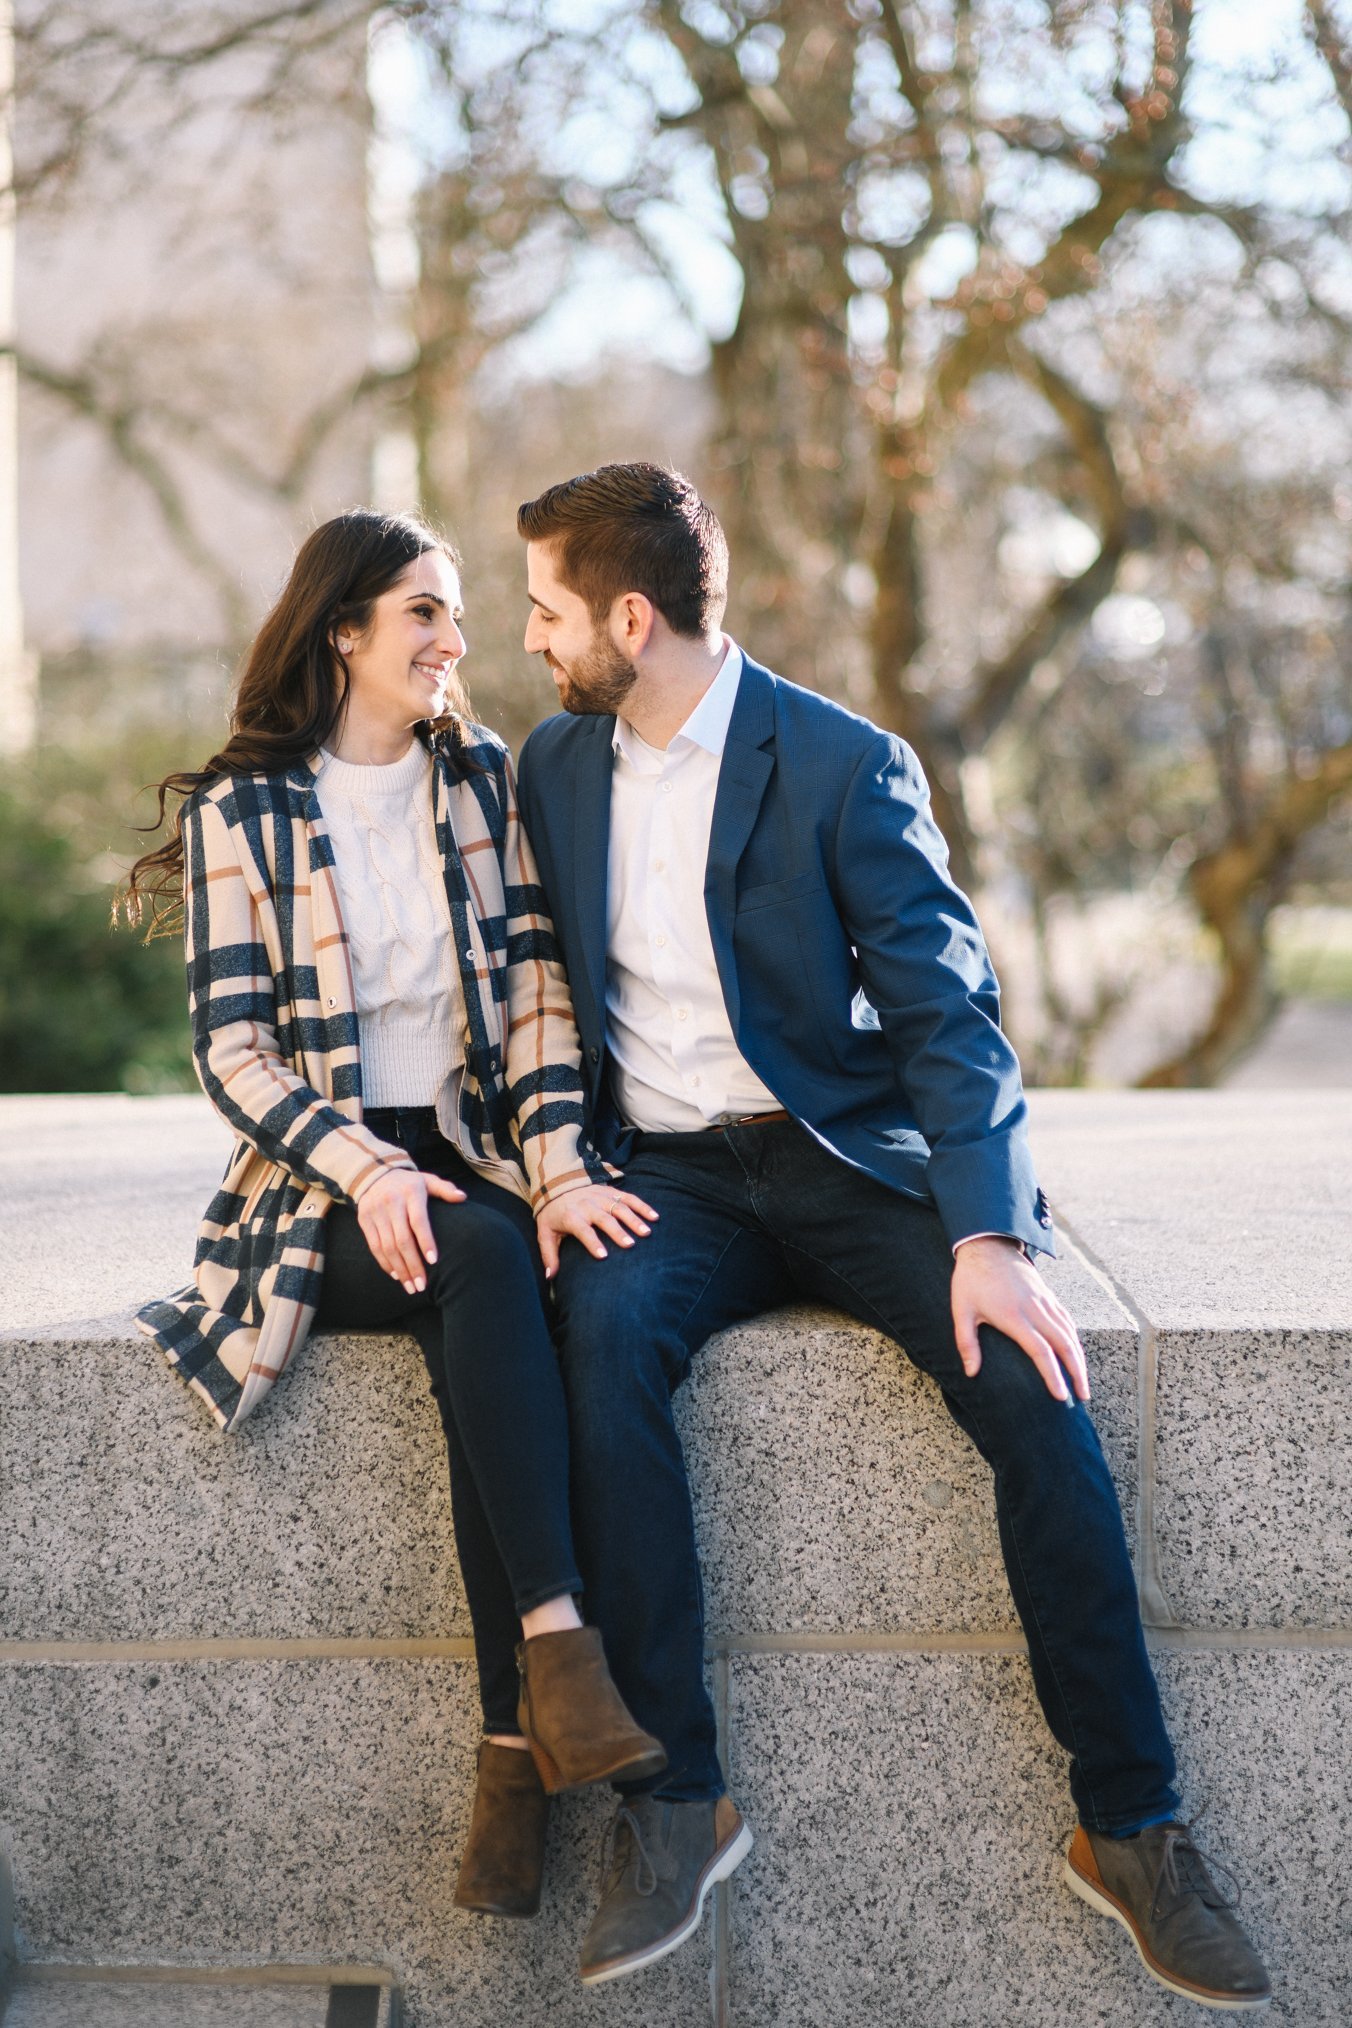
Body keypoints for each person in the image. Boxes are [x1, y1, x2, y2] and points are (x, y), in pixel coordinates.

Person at [510, 463, 1272, 2008]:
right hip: (668, 1179)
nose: (533, 637)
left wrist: (988, 1229)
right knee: (596, 1342)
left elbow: (953, 1019)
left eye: (546, 608)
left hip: (851, 1162)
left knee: (1037, 1393)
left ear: (630, 617)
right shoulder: (555, 767)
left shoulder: (846, 764)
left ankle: (1132, 1826)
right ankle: (675, 1801)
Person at [127, 508, 665, 1922]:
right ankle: (557, 1647)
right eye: (424, 612)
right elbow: (232, 1054)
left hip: (478, 1156)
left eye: (459, 612)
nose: (455, 640)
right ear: (345, 631)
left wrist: (555, 1168)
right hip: (320, 1185)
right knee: (477, 1264)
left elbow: (543, 994)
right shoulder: (247, 814)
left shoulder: (479, 783)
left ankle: (516, 1744)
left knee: (498, 1272)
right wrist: (365, 1168)